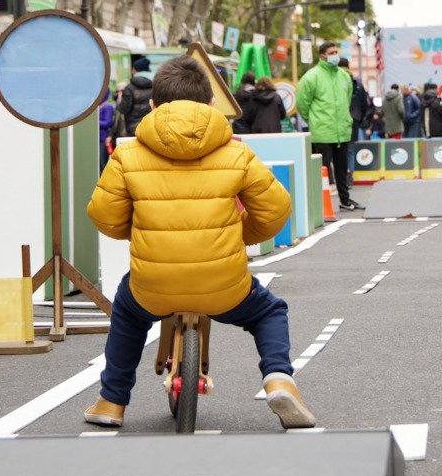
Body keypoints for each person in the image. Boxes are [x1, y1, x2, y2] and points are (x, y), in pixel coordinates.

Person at [83, 56, 313, 430]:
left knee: (127, 311)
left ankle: (112, 401)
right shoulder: (235, 152)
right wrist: (240, 234)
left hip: (153, 286)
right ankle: (279, 379)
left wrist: (142, 231)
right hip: (224, 286)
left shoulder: (127, 154)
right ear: (210, 105)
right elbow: (275, 209)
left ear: (154, 105)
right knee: (269, 311)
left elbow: (104, 215)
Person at [296, 42, 361, 211]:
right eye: (331, 52)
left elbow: (346, 100)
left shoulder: (344, 76)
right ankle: (319, 205)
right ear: (322, 56)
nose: (335, 55)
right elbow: (302, 103)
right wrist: (314, 120)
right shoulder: (311, 77)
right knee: (321, 170)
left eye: (336, 52)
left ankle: (345, 200)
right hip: (322, 131)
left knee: (341, 169)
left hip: (341, 131)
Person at [119, 56, 155, 136]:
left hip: (133, 129)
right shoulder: (155, 86)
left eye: (133, 69)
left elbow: (123, 109)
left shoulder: (130, 88)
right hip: (151, 128)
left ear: (136, 70)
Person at [341, 57, 371, 141]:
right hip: (355, 118)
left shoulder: (334, 82)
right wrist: (359, 118)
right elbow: (364, 104)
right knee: (352, 147)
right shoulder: (357, 83)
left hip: (339, 119)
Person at [98, 87, 115, 171]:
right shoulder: (96, 107)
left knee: (102, 162)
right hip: (96, 138)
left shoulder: (108, 107)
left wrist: (95, 123)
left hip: (103, 138)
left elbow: (108, 122)